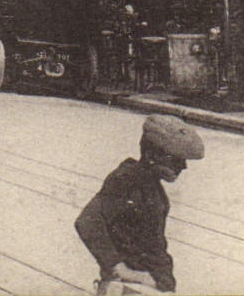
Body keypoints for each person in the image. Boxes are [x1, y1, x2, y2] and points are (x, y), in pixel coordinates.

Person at [76, 114, 205, 294]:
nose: (183, 166)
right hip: (134, 286)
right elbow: (87, 222)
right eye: (175, 159)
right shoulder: (127, 179)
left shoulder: (151, 185)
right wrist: (119, 268)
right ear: (151, 154)